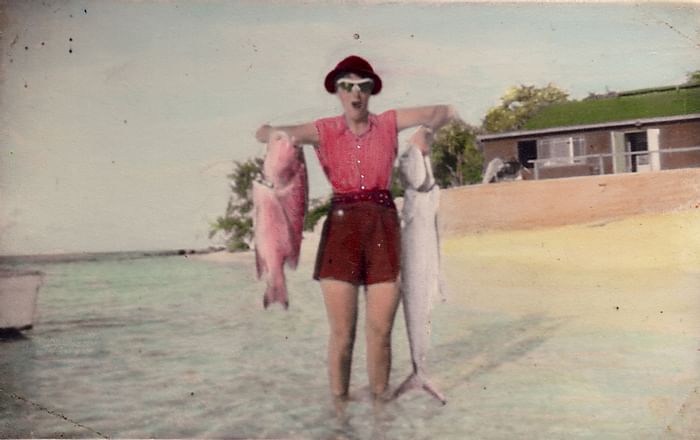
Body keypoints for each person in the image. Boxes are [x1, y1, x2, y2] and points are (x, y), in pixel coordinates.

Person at [255, 55, 456, 411]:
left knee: (380, 334)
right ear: (337, 91)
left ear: (371, 92)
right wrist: (276, 137)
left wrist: (426, 132)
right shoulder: (324, 130)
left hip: (384, 225)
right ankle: (340, 417)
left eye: (363, 87)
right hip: (341, 228)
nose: (355, 94)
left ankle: (381, 416)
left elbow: (443, 110)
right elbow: (264, 133)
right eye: (347, 86)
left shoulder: (389, 122)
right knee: (342, 336)